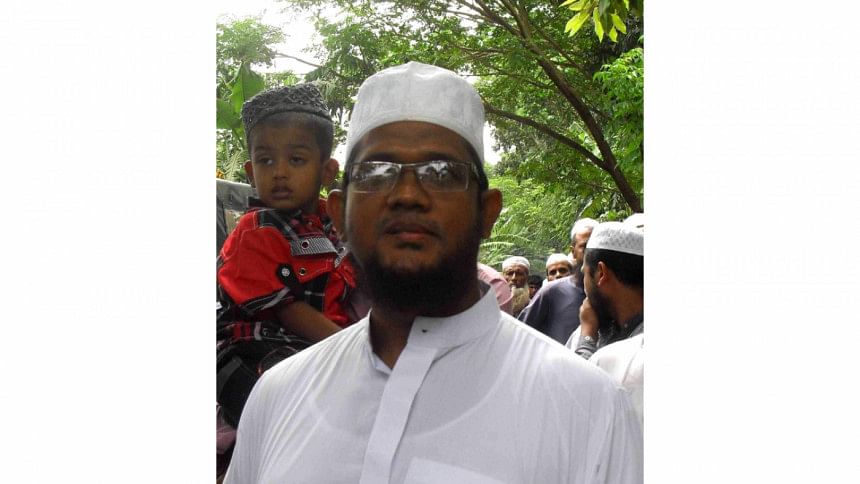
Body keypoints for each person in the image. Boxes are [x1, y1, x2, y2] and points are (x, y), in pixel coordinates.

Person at [225, 62, 642, 484]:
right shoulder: (277, 396)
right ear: (338, 213)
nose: (407, 194)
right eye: (376, 172)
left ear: (487, 212)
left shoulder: (589, 409)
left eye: (442, 173)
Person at [215, 84, 359, 436]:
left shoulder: (333, 222)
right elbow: (288, 311)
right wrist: (354, 347)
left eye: (296, 160)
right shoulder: (256, 229)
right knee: (287, 419)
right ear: (251, 172)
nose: (279, 172)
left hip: (316, 348)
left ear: (327, 172)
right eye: (266, 161)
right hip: (258, 350)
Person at [568, 221, 644, 427]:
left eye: (585, 272)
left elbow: (574, 400)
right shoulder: (594, 326)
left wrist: (587, 338)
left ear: (600, 273)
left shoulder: (588, 330)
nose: (584, 285)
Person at [518, 217, 597, 344]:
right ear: (573, 252)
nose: (593, 252)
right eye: (585, 247)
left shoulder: (614, 291)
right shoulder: (551, 292)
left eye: (597, 246)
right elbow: (520, 334)